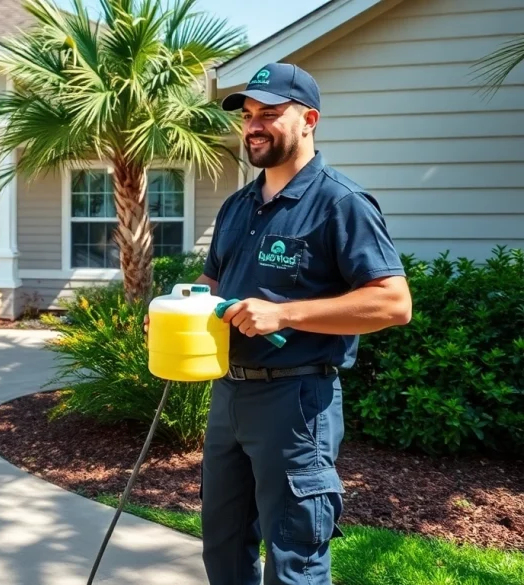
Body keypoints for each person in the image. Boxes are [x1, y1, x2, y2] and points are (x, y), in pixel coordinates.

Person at [145, 62, 412, 584]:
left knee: (295, 559)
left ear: (309, 119)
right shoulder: (238, 205)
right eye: (247, 115)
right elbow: (213, 286)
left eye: (270, 113)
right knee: (222, 546)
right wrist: (178, 316)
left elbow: (393, 303)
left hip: (295, 405)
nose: (253, 126)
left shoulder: (341, 203)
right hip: (229, 398)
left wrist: (284, 313)